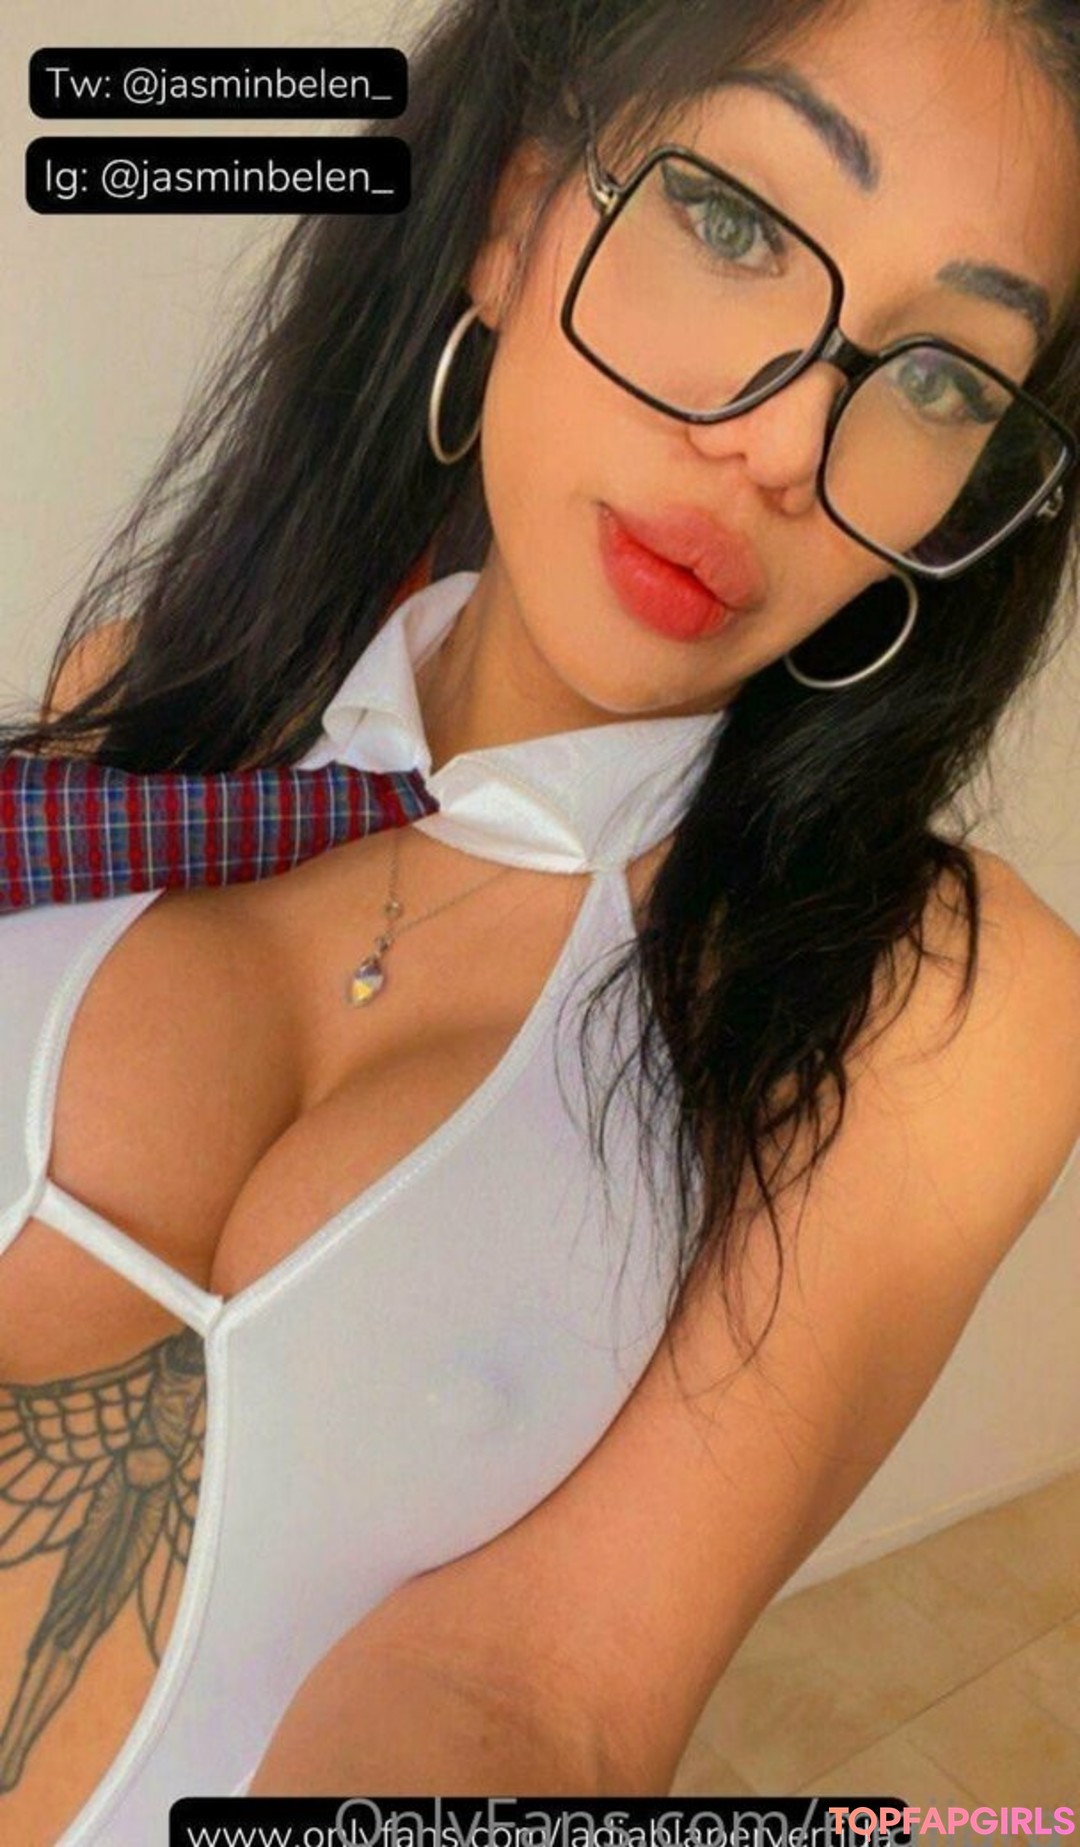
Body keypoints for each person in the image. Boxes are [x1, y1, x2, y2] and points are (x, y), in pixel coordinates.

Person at [2, 0, 1080, 1834]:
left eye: (938, 380)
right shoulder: (148, 711)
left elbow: (535, 1706)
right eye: (734, 221)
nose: (786, 443)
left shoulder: (932, 1002)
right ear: (512, 218)